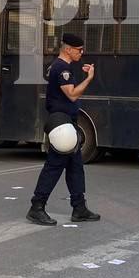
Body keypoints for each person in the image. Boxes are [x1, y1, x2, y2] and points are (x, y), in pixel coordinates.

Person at [27, 33, 99, 226]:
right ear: (68, 49)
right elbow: (73, 95)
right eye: (79, 50)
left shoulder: (61, 66)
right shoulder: (61, 68)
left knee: (76, 166)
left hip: (68, 123)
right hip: (62, 125)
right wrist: (89, 78)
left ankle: (79, 207)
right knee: (54, 166)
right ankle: (37, 206)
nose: (81, 53)